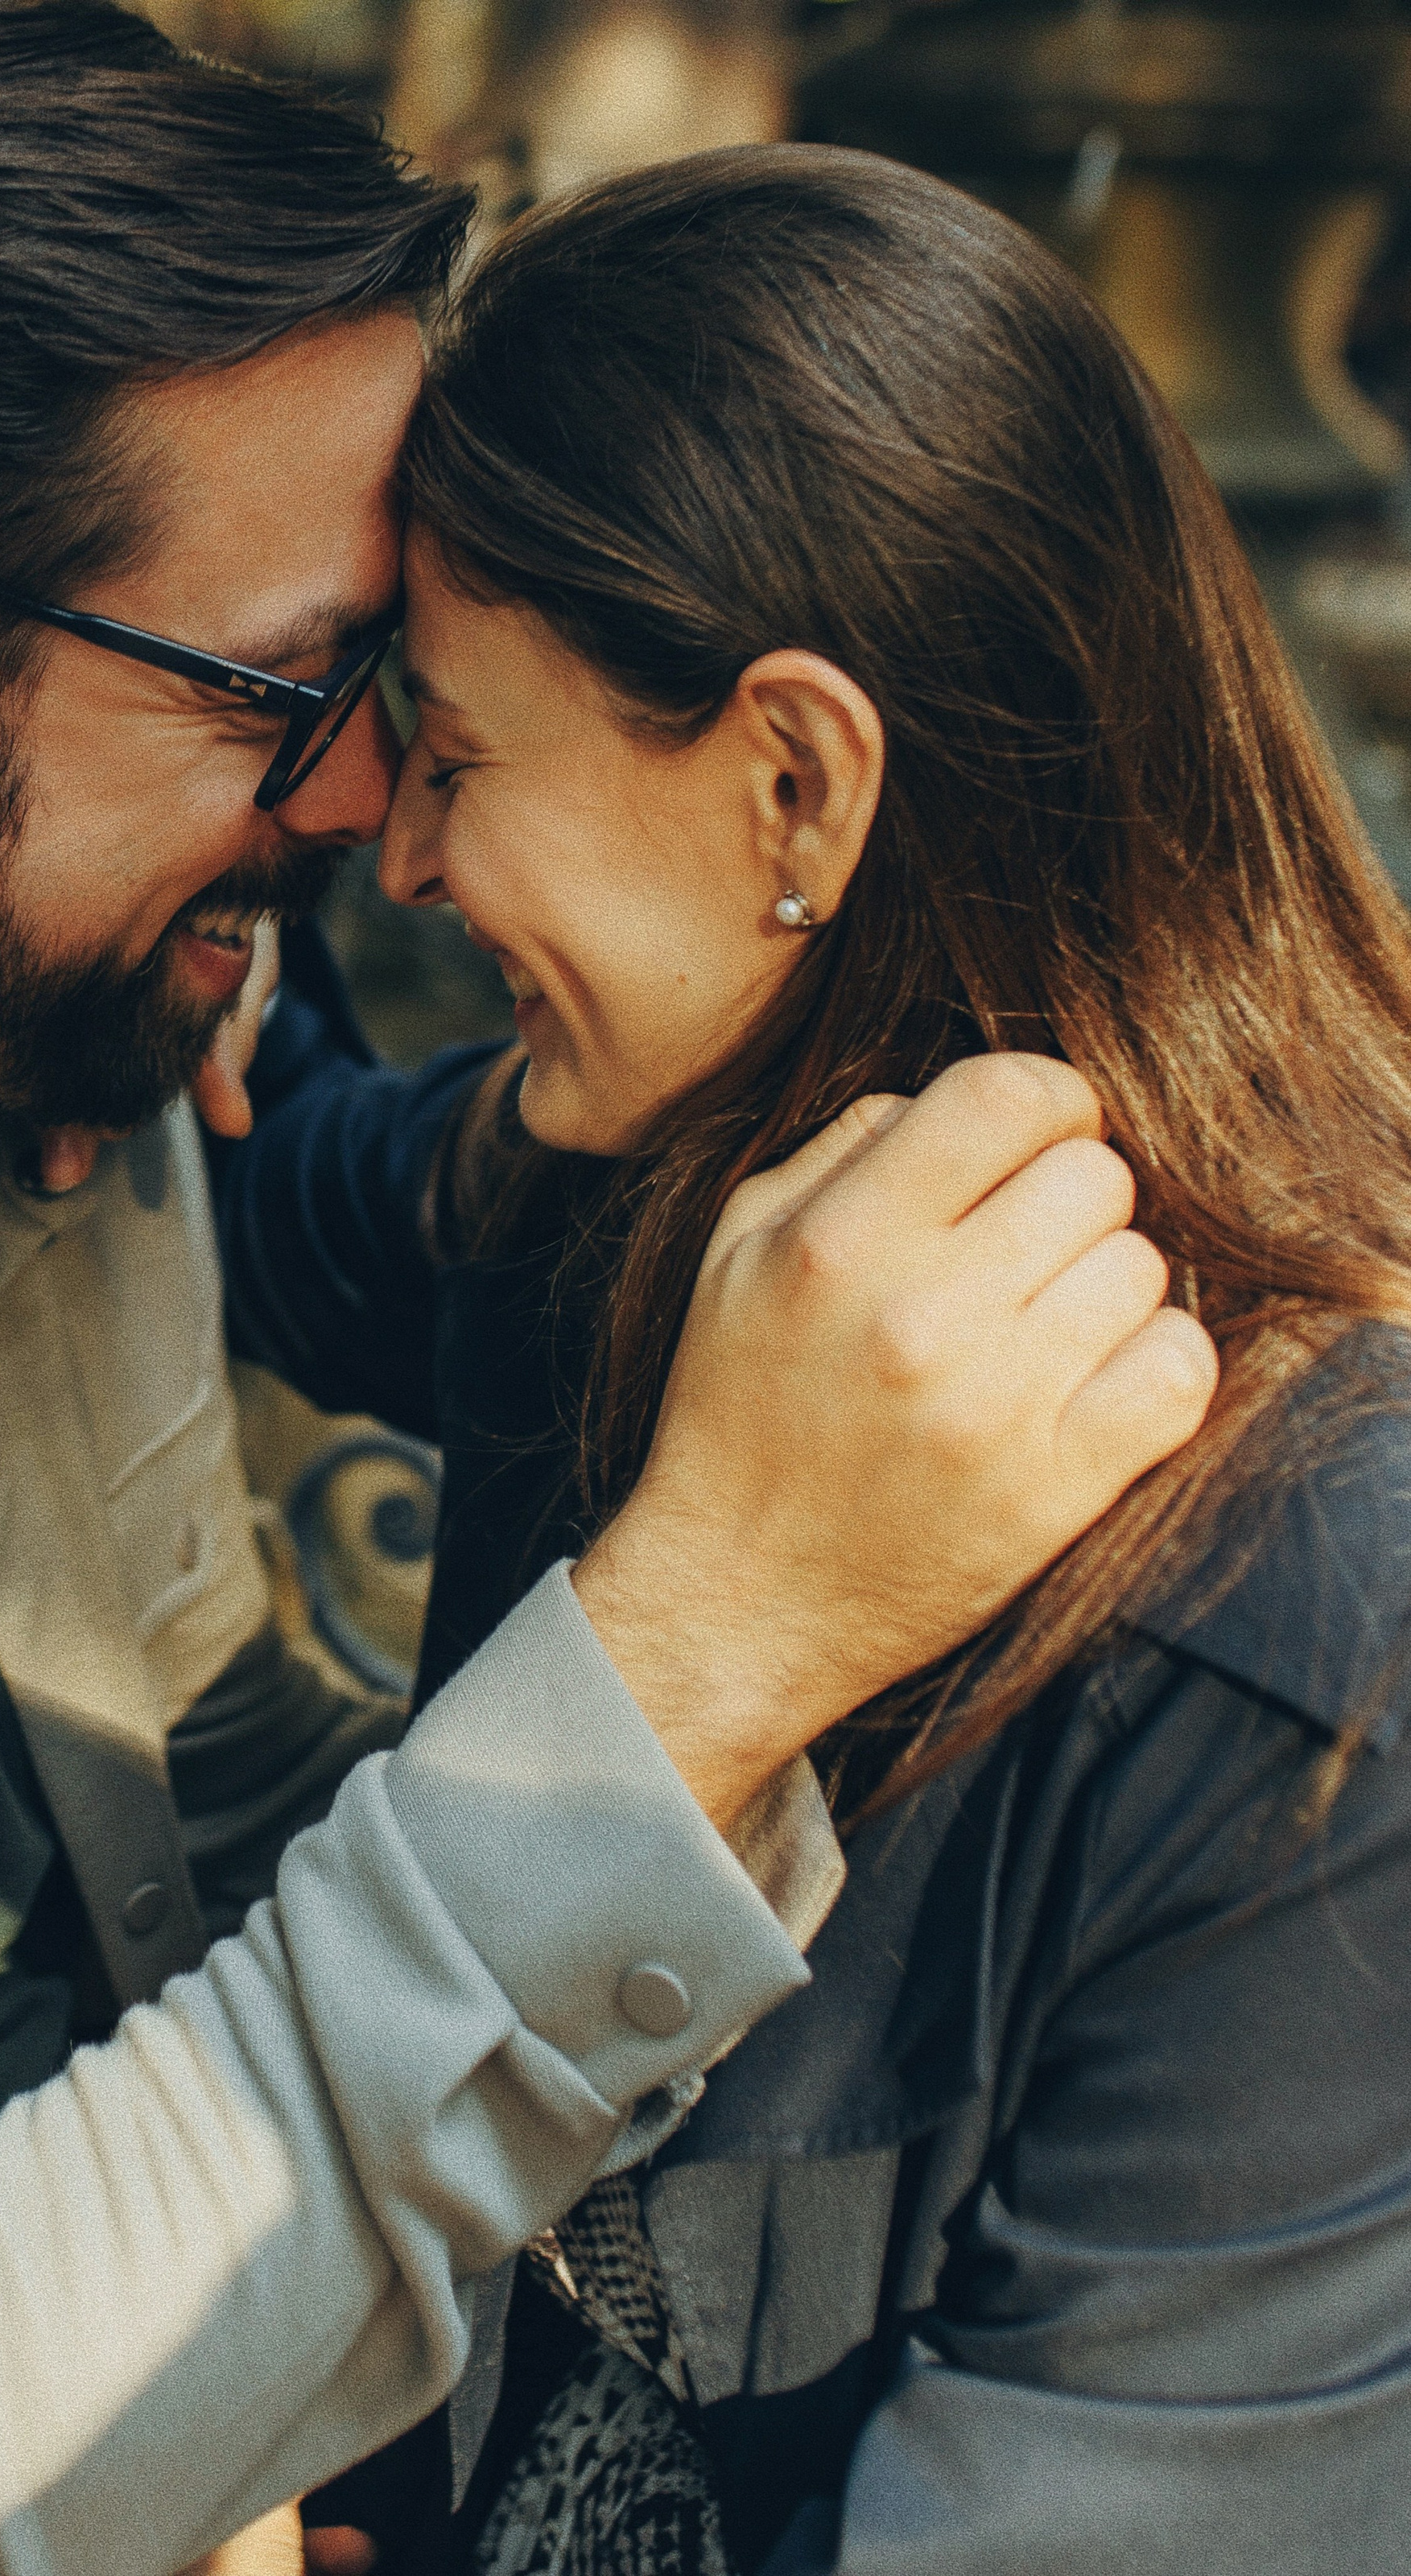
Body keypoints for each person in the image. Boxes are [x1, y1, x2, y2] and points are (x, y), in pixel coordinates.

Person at [0, 10, 1213, 2569]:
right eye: (285, 687)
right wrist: (695, 1646)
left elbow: (194, 1806)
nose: (363, 804)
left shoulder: (24, 1020)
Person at [210, 145, 1411, 2576]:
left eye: (449, 755)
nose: (405, 856)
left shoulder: (1315, 1640)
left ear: (795, 783)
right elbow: (301, 1180)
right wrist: (184, 924)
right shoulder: (626, 1192)